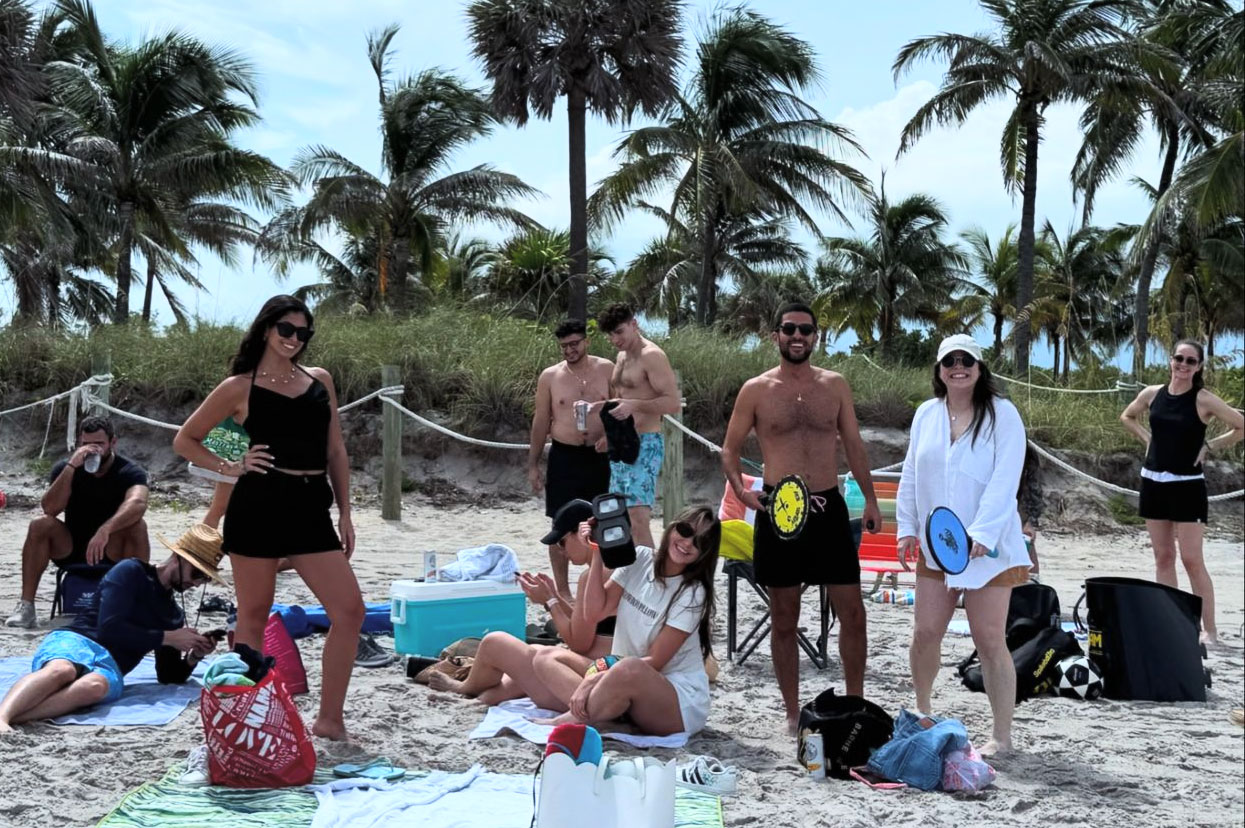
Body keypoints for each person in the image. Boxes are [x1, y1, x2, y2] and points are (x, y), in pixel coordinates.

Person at [173, 295, 364, 741]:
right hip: (259, 503)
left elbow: (335, 449)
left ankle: (329, 720)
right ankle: (248, 716)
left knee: (350, 610)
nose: (295, 340)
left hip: (310, 506)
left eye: (304, 333)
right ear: (266, 329)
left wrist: (347, 513)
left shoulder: (320, 381)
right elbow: (187, 440)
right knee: (253, 615)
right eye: (287, 330)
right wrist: (232, 467)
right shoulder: (238, 386)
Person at [721, 302, 882, 735]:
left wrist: (870, 501)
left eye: (805, 330)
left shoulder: (835, 386)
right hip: (779, 510)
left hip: (829, 507)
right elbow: (729, 450)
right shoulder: (756, 390)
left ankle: (854, 701)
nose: (797, 336)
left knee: (853, 611)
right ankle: (792, 714)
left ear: (816, 336)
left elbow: (854, 445)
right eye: (789, 328)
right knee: (784, 615)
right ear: (776, 335)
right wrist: (741, 491)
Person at [896, 334, 1030, 757]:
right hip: (938, 544)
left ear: (979, 366)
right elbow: (911, 474)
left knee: (990, 639)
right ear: (939, 369)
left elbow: (1005, 479)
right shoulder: (925, 415)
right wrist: (905, 528)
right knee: (925, 632)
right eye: (950, 361)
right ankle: (922, 710)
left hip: (989, 551)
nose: (958, 367)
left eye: (966, 360)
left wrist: (983, 535)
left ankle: (1002, 736)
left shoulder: (1003, 415)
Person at [0, 524, 224, 732]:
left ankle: (17, 717)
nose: (196, 583)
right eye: (196, 574)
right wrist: (167, 637)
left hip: (112, 666)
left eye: (204, 579)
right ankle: (3, 716)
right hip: (79, 639)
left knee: (93, 687)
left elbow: (167, 675)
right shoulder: (131, 571)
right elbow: (109, 628)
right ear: (177, 558)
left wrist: (194, 656)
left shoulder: (173, 614)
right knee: (62, 670)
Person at [531, 506, 721, 737]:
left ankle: (572, 719)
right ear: (672, 527)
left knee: (629, 667)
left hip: (677, 702)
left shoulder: (693, 593)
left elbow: (655, 661)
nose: (688, 543)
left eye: (700, 541)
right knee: (546, 657)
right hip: (624, 676)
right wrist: (597, 551)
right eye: (685, 530)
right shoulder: (640, 558)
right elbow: (594, 614)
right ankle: (608, 716)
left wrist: (594, 680)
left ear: (705, 552)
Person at [427, 500, 614, 706]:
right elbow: (590, 623)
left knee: (494, 643)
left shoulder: (593, 576)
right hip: (599, 671)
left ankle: (464, 687)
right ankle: (475, 698)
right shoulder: (612, 568)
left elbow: (579, 642)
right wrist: (554, 597)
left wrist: (550, 601)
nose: (561, 551)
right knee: (496, 693)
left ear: (582, 534)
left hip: (589, 676)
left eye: (562, 542)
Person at [1120, 339, 1243, 645]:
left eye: (1191, 361)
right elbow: (1127, 415)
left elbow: (1241, 425)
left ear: (1199, 366)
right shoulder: (1152, 394)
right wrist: (1147, 439)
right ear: (1171, 361)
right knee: (1163, 557)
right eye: (1179, 358)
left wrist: (1210, 446)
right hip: (1153, 482)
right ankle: (1171, 623)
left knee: (1191, 559)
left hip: (1187, 486)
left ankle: (1209, 629)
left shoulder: (1203, 400)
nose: (1183, 365)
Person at [7, 416, 150, 629]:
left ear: (113, 443)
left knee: (138, 526)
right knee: (40, 524)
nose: (93, 450)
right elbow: (50, 508)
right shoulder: (67, 469)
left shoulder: (129, 471)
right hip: (71, 546)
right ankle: (26, 606)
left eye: (99, 444)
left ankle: (137, 604)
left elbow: (138, 502)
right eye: (86, 444)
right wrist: (72, 466)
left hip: (111, 548)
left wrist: (105, 530)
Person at [528, 319, 614, 600]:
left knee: (600, 520)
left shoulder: (607, 369)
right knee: (560, 524)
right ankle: (563, 590)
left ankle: (598, 584)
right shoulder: (550, 377)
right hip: (564, 455)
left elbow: (622, 409)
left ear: (586, 341)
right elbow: (541, 422)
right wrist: (533, 465)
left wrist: (611, 438)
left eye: (574, 344)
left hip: (599, 457)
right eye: (564, 346)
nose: (570, 350)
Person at [595, 304, 681, 550]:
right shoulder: (622, 356)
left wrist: (634, 405)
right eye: (610, 335)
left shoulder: (651, 355)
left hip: (645, 442)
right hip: (620, 440)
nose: (615, 339)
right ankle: (630, 579)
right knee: (618, 515)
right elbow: (621, 399)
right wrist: (607, 432)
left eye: (619, 332)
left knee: (638, 517)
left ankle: (652, 579)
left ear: (634, 324)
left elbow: (672, 403)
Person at [1017, 446, 1043, 577]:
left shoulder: (1024, 448)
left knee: (1026, 538)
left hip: (1017, 511)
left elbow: (1033, 488)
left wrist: (1030, 521)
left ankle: (1032, 585)